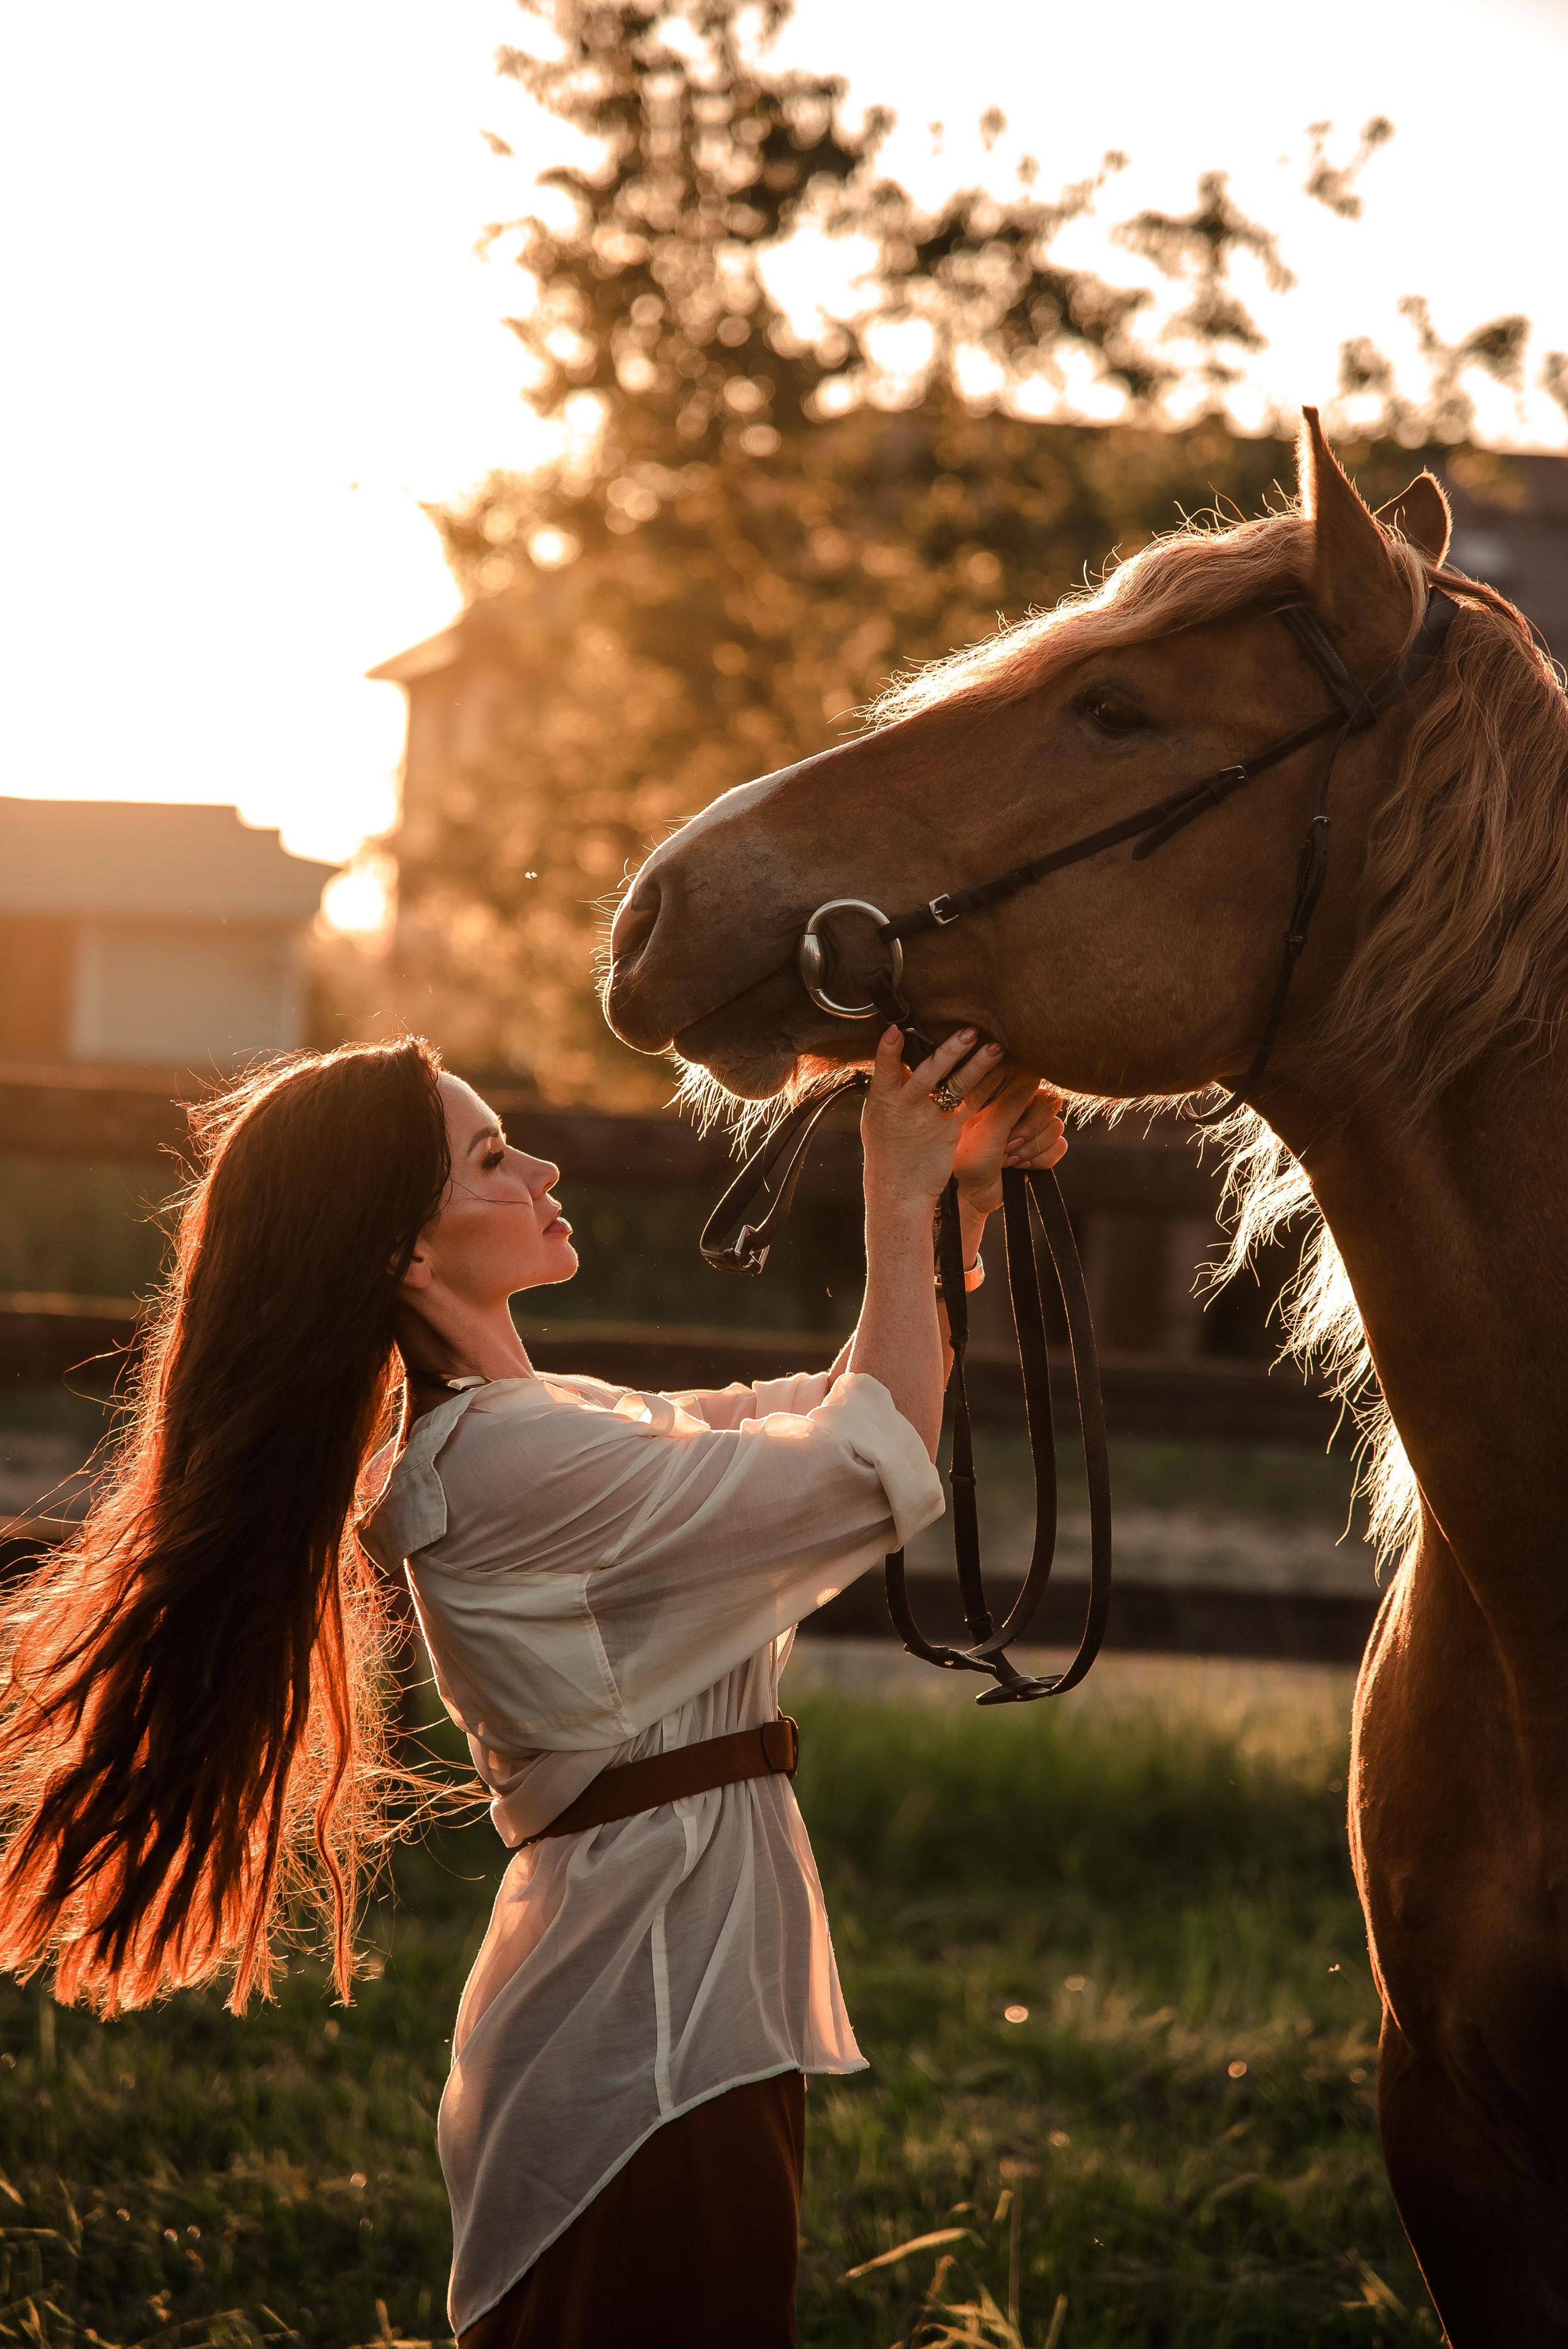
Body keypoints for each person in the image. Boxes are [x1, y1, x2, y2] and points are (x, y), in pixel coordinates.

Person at [0, 1026, 1065, 2348]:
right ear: (406, 1251)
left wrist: (950, 1197)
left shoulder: (546, 1423)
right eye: (494, 1158)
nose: (545, 1165)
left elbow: (845, 1408)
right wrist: (894, 1188)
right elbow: (872, 1455)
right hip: (645, 2023)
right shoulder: (512, 1466)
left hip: (672, 2000)